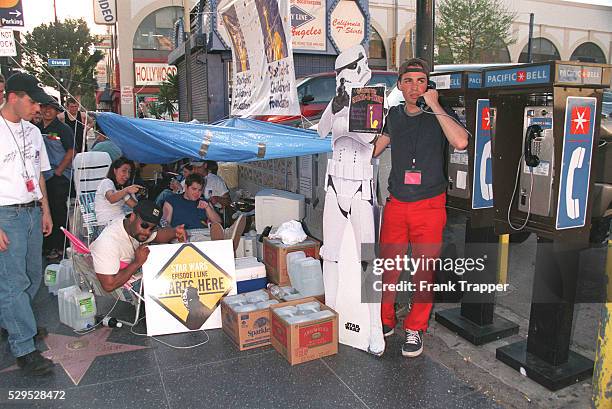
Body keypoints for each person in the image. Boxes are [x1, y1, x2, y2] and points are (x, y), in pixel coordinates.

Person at [373, 58, 468, 358]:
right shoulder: (393, 115)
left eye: (421, 81)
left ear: (428, 85)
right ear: (399, 85)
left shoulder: (439, 114)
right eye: (409, 81)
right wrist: (356, 129)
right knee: (389, 267)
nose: (415, 87)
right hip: (397, 203)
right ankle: (384, 320)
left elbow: (461, 142)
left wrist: (435, 105)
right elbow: (374, 149)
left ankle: (416, 328)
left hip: (429, 204)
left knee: (422, 272)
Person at [0, 72, 55, 375]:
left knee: (33, 275)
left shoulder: (34, 133)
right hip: (5, 213)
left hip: (33, 211)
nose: (38, 108)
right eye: (33, 101)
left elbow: (40, 176)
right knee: (13, 283)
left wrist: (45, 210)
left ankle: (14, 322)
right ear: (13, 97)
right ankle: (24, 346)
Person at [90, 200, 186, 292]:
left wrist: (175, 232)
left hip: (136, 277)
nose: (147, 232)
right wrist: (137, 262)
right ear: (132, 217)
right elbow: (108, 286)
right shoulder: (108, 242)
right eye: (144, 225)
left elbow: (159, 236)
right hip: (122, 293)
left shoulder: (134, 229)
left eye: (152, 228)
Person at [37, 97, 75, 260]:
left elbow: (71, 151)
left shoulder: (63, 129)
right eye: (44, 107)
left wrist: (58, 171)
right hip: (41, 177)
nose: (47, 110)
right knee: (44, 211)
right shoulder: (35, 128)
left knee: (58, 212)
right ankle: (47, 247)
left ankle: (62, 246)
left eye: (50, 108)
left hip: (58, 177)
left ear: (56, 110)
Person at [94, 157, 142, 225]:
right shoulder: (106, 182)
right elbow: (111, 198)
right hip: (107, 225)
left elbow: (136, 207)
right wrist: (127, 190)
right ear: (115, 170)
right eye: (124, 171)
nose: (127, 176)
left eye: (129, 172)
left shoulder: (121, 190)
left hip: (120, 222)